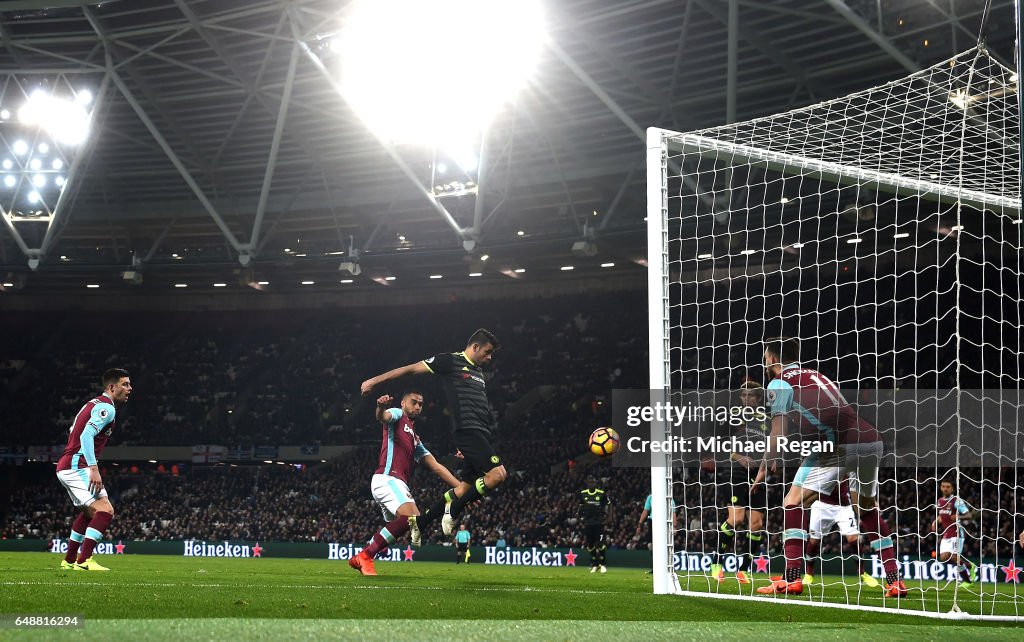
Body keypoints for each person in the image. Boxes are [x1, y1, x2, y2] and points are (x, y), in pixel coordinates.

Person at [756, 337, 906, 598]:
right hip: (871, 440)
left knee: (793, 502)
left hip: (839, 445)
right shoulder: (815, 374)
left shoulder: (778, 383)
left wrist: (767, 461)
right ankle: (894, 581)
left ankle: (792, 579)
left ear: (771, 358)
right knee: (867, 509)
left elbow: (778, 429)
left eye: (765, 354)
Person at [361, 329, 505, 543]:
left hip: (480, 435)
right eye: (487, 351)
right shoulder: (450, 362)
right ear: (475, 347)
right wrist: (374, 381)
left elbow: (437, 466)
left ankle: (423, 522)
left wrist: (469, 454)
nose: (489, 357)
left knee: (464, 488)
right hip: (468, 432)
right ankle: (454, 510)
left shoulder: (478, 372)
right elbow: (410, 370)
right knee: (498, 475)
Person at [349, 392, 461, 576]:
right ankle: (366, 556)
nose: (417, 406)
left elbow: (438, 467)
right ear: (403, 403)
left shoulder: (415, 439)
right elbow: (383, 417)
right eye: (413, 402)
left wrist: (463, 490)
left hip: (395, 484)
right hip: (388, 479)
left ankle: (361, 556)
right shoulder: (398, 414)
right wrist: (381, 407)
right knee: (412, 517)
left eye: (420, 404)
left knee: (394, 531)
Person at [55, 368, 132, 571]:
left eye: (129, 384)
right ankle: (84, 560)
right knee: (105, 511)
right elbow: (85, 436)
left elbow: (74, 431)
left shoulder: (92, 404)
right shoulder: (107, 408)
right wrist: (93, 468)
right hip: (77, 466)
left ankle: (70, 560)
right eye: (125, 384)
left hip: (70, 464)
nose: (129, 388)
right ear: (111, 387)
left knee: (90, 513)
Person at [711, 380, 768, 584]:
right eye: (743, 395)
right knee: (736, 520)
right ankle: (717, 564)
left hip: (759, 475)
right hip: (734, 472)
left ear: (758, 398)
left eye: (750, 395)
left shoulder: (767, 421)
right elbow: (717, 443)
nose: (746, 398)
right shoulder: (732, 417)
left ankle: (744, 570)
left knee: (757, 524)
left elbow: (772, 447)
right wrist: (738, 456)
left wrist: (766, 467)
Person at [803, 476, 879, 587]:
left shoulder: (848, 461)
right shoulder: (822, 462)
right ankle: (809, 573)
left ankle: (862, 572)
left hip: (843, 507)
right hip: (821, 505)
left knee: (854, 539)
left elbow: (858, 481)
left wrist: (871, 500)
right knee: (814, 541)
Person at [930, 477, 977, 585]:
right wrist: (935, 522)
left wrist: (959, 517)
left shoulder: (957, 501)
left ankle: (968, 582)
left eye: (948, 487)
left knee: (954, 557)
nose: (945, 489)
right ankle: (970, 566)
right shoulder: (939, 501)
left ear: (953, 489)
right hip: (946, 533)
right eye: (943, 486)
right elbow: (942, 516)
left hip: (956, 533)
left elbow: (969, 515)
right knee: (944, 558)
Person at [579, 475, 609, 574]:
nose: (591, 484)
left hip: (599, 523)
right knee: (590, 545)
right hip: (588, 524)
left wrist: (609, 517)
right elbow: (580, 506)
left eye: (593, 482)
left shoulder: (601, 493)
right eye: (590, 482)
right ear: (587, 483)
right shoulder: (583, 494)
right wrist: (579, 517)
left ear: (596, 483)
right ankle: (595, 564)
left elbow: (609, 505)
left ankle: (603, 564)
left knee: (600, 544)